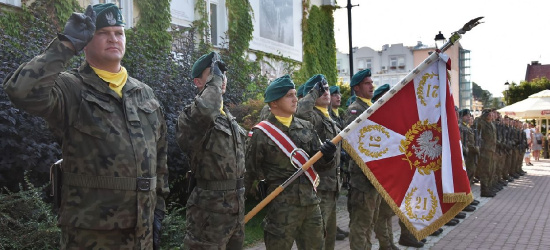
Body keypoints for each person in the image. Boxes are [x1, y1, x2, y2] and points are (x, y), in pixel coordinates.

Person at [3, 4, 169, 248]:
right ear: (86, 40)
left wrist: (158, 212)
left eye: (118, 32)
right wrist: (66, 45)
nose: (113, 38)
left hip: (141, 232)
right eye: (103, 33)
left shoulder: (144, 94)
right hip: (91, 235)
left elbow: (160, 159)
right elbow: (21, 91)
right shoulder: (72, 88)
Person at [245, 74, 337, 250]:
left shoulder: (306, 126)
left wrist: (327, 156)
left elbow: (321, 166)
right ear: (273, 103)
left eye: (295, 94)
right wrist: (238, 209)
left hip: (311, 204)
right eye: (289, 95)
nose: (296, 99)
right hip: (281, 208)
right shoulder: (261, 134)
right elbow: (248, 173)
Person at [177, 51, 247, 249]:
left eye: (222, 74)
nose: (220, 78)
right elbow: (207, 111)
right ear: (198, 82)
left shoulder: (230, 120)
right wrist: (214, 82)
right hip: (208, 214)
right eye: (214, 73)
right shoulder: (191, 117)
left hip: (236, 209)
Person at [296, 74, 343, 249]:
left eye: (327, 88)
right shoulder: (312, 116)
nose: (325, 92)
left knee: (329, 236)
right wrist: (315, 92)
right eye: (320, 89)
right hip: (319, 186)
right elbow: (300, 112)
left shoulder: (329, 117)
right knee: (316, 238)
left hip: (332, 186)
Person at [343, 69, 382, 249]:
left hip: (376, 176)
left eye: (371, 82)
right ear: (357, 88)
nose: (372, 86)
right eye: (367, 83)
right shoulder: (355, 110)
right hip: (362, 177)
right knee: (361, 224)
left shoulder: (374, 106)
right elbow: (351, 143)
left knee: (371, 221)